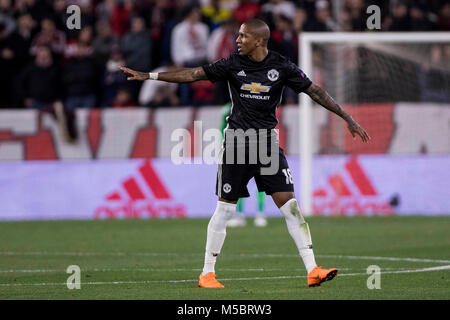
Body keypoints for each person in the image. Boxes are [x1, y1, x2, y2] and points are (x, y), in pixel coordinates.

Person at [120, 19, 370, 288]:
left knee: (291, 206)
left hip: (267, 146)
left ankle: (313, 270)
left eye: (243, 36)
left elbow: (314, 91)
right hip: (237, 145)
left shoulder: (281, 66)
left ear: (259, 40)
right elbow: (193, 74)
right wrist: (151, 76)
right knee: (225, 210)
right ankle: (207, 273)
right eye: (238, 35)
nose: (237, 40)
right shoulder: (231, 65)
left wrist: (347, 117)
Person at [220, 102, 268, 228]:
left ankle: (260, 214)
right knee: (238, 183)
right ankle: (240, 215)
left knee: (260, 181)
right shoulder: (226, 109)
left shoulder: (254, 103)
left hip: (257, 144)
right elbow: (222, 128)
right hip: (237, 147)